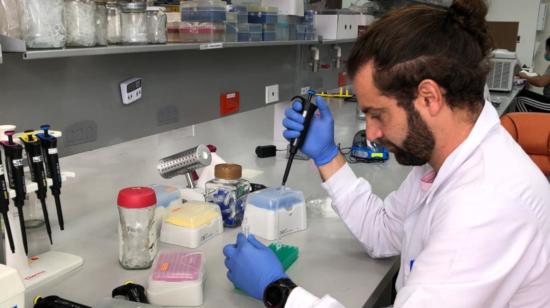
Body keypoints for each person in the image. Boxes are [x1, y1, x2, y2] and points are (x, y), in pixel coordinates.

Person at [223, 0, 550, 307]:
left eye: (378, 114)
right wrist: (326, 156)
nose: (372, 133)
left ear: (429, 98)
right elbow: (382, 234)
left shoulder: (487, 203)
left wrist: (278, 292)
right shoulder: (443, 160)